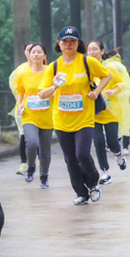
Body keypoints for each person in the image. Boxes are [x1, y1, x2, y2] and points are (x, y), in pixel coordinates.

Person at [39, 26, 111, 205]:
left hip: (84, 119)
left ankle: (93, 183)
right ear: (59, 43)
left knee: (82, 154)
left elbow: (106, 75)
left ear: (78, 43)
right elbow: (42, 94)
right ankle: (81, 193)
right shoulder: (54, 67)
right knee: (70, 159)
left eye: (72, 41)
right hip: (62, 120)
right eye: (65, 41)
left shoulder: (87, 62)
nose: (68, 44)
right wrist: (55, 86)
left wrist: (97, 92)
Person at [86, 42, 130, 185]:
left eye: (95, 49)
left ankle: (118, 154)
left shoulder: (110, 68)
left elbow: (124, 83)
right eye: (89, 50)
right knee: (98, 142)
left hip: (110, 111)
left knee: (112, 143)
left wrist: (113, 91)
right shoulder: (86, 69)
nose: (91, 52)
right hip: (94, 113)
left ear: (101, 51)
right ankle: (105, 172)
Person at [16, 43, 54, 188]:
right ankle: (31, 167)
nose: (36, 54)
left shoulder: (50, 72)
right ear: (29, 55)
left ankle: (44, 176)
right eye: (33, 52)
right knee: (31, 142)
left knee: (45, 150)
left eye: (39, 52)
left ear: (45, 56)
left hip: (47, 116)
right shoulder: (24, 74)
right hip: (29, 116)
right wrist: (19, 104)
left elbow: (57, 89)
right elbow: (20, 91)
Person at [9, 42, 35, 175]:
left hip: (42, 109)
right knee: (24, 134)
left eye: (36, 50)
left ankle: (41, 161)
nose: (33, 53)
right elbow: (16, 89)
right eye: (29, 50)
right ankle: (24, 163)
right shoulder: (20, 71)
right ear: (25, 53)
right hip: (24, 107)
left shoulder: (46, 69)